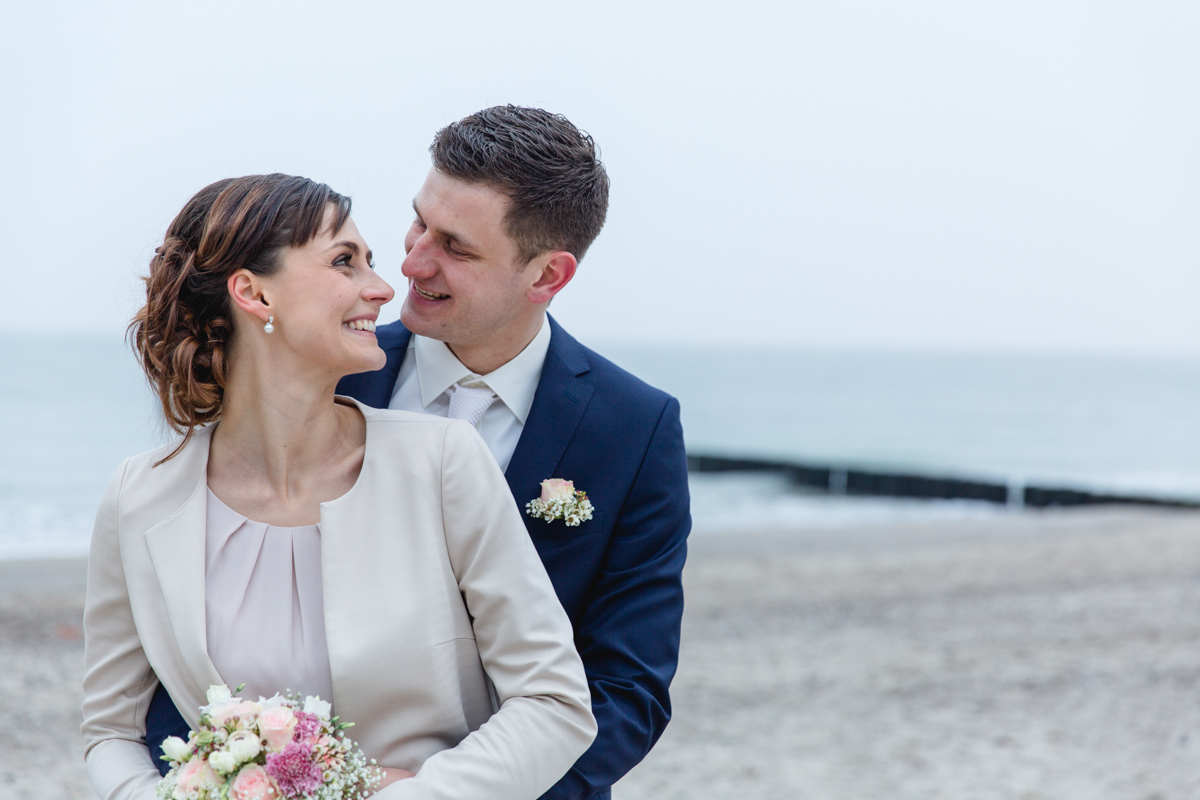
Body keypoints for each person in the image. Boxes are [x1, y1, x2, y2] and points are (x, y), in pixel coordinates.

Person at [81, 173, 596, 800]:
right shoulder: (140, 496)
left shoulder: (442, 463)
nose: (382, 290)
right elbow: (110, 729)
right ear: (254, 294)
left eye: (371, 263)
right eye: (344, 262)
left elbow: (553, 700)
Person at [336, 106, 691, 800]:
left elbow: (627, 686)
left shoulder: (634, 428)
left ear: (547, 276)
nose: (410, 261)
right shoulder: (334, 373)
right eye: (418, 223)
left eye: (456, 248)